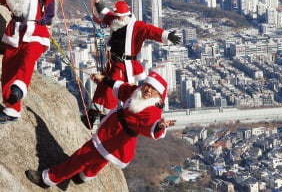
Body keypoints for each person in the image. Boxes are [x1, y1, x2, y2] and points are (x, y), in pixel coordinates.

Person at [25, 72, 174, 188]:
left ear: (159, 94)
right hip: (113, 132)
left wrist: (159, 127)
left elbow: (150, 126)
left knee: (82, 156)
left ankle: (48, 179)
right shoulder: (137, 91)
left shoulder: (152, 112)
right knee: (102, 158)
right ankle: (84, 176)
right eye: (147, 85)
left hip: (114, 138)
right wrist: (103, 79)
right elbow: (121, 87)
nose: (148, 89)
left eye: (153, 89)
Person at [84, 0, 180, 119]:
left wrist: (167, 35)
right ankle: (93, 112)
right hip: (113, 62)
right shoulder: (114, 20)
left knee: (112, 87)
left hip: (124, 64)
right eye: (116, 16)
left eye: (119, 16)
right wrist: (96, 0)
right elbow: (104, 13)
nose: (117, 18)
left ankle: (106, 115)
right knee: (103, 85)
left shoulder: (137, 26)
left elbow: (151, 30)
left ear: (126, 15)